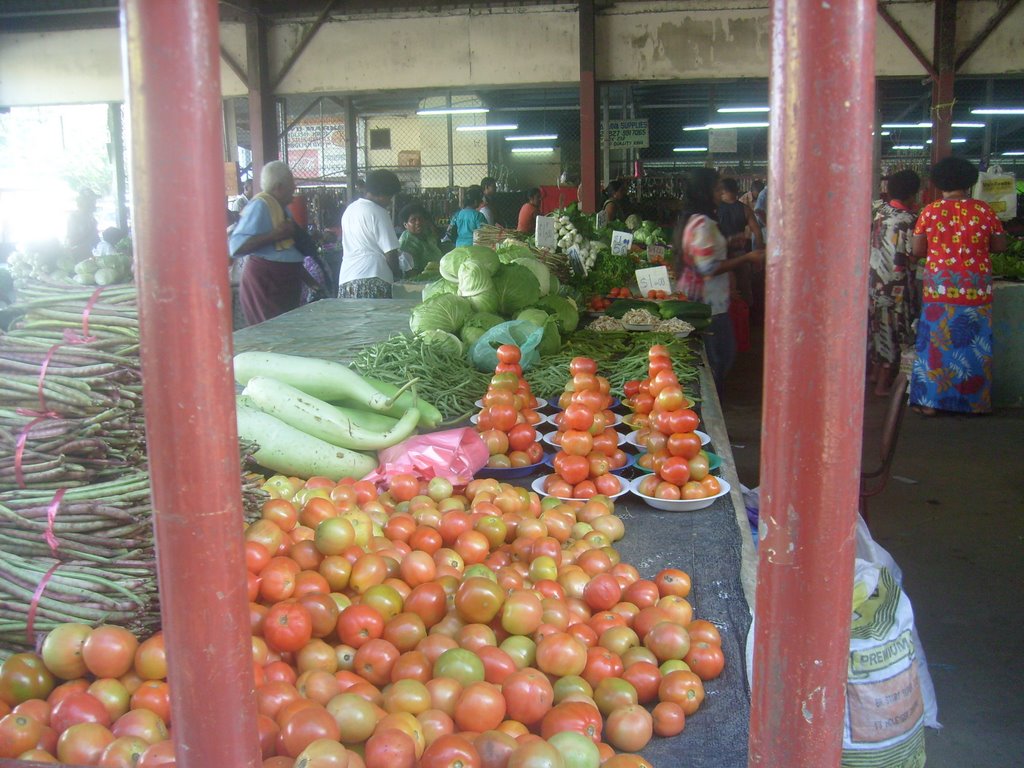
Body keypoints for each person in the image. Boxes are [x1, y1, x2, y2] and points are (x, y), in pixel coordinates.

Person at [909, 157, 1007, 415]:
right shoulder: (985, 211)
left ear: (938, 181)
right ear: (969, 181)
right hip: (977, 287)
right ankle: (974, 403)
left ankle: (931, 404)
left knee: (936, 343)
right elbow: (999, 246)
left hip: (939, 287)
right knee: (974, 344)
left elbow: (917, 250)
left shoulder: (929, 211)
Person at [672, 168, 765, 392]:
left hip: (699, 298)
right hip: (707, 304)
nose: (719, 193)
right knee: (719, 357)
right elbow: (708, 268)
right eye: (716, 188)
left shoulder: (692, 218)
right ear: (705, 191)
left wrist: (729, 243)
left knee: (717, 355)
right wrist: (747, 257)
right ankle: (712, 406)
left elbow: (702, 254)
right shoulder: (704, 224)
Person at [229, 161, 307, 325]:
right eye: (291, 184)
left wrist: (310, 281)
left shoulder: (280, 207)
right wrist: (274, 235)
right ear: (279, 187)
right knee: (273, 338)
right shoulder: (260, 205)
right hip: (267, 283)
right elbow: (235, 247)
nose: (294, 188)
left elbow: (290, 249)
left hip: (283, 281)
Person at [868, 170, 921, 396]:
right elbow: (914, 253)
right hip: (896, 285)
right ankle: (883, 385)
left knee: (877, 326)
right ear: (913, 194)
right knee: (894, 331)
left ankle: (874, 374)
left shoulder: (877, 209)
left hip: (873, 280)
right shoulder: (910, 220)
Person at [337, 169, 402, 298]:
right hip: (374, 279)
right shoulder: (379, 212)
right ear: (382, 193)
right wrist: (399, 276)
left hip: (346, 280)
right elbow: (390, 253)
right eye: (391, 196)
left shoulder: (350, 210)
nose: (390, 201)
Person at [398, 203, 442, 277]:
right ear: (405, 225)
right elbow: (411, 273)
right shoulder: (407, 242)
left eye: (420, 219)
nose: (418, 223)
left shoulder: (427, 235)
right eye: (413, 220)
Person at [67, 188, 100, 258]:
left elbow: (96, 240)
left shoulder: (90, 218)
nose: (95, 204)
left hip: (89, 254)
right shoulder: (74, 218)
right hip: (79, 256)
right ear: (83, 202)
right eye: (92, 201)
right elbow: (73, 241)